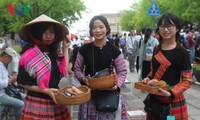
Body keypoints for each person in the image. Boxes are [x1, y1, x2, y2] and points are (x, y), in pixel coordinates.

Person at [17, 14, 71, 120]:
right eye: (44, 32)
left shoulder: (54, 53)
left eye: (51, 32)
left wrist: (65, 48)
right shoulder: (28, 55)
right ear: (37, 33)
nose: (48, 36)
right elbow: (22, 83)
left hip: (56, 101)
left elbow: (64, 72)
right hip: (37, 104)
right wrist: (45, 91)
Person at [74, 15, 128, 120]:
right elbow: (77, 69)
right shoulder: (84, 49)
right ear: (91, 30)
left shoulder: (114, 50)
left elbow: (122, 71)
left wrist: (117, 85)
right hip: (90, 96)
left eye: (101, 27)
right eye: (94, 27)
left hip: (110, 95)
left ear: (107, 29)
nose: (98, 30)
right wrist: (83, 78)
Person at [142, 13, 192, 120]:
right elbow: (153, 71)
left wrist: (170, 93)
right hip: (154, 99)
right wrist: (149, 78)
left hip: (172, 101)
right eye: (162, 26)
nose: (166, 30)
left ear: (177, 28)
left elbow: (187, 80)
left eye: (170, 26)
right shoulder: (157, 48)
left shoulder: (182, 52)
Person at [0, 48, 24, 120]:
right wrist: (10, 80)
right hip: (2, 95)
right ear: (6, 57)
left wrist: (11, 78)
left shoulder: (2, 65)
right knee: (21, 104)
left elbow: (4, 79)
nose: (11, 61)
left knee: (27, 97)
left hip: (6, 92)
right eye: (11, 58)